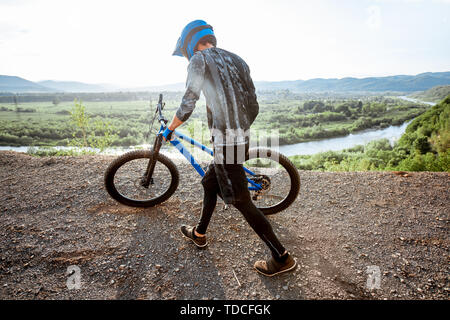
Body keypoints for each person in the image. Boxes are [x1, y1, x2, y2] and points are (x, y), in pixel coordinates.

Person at [162, 20, 296, 276]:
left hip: (226, 142)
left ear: (189, 44)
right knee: (209, 183)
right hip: (241, 136)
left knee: (241, 201)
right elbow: (253, 103)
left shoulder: (198, 60)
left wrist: (171, 128)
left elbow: (189, 101)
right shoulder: (238, 60)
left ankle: (281, 257)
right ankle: (199, 234)